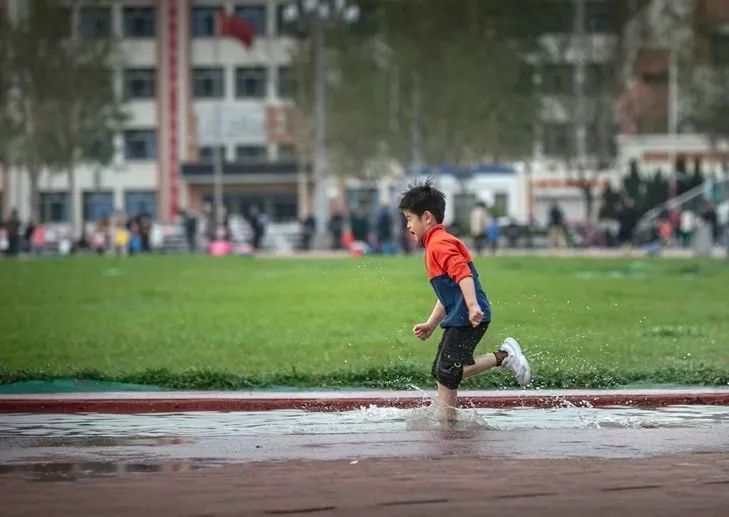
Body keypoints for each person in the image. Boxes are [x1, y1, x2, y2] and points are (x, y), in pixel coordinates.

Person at [398, 180, 531, 423]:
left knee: (447, 371)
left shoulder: (440, 244)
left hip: (468, 318)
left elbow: (463, 275)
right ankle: (502, 357)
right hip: (459, 317)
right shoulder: (435, 246)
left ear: (427, 218)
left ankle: (447, 423)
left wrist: (472, 306)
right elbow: (447, 294)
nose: (407, 226)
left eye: (409, 218)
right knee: (444, 370)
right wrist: (430, 324)